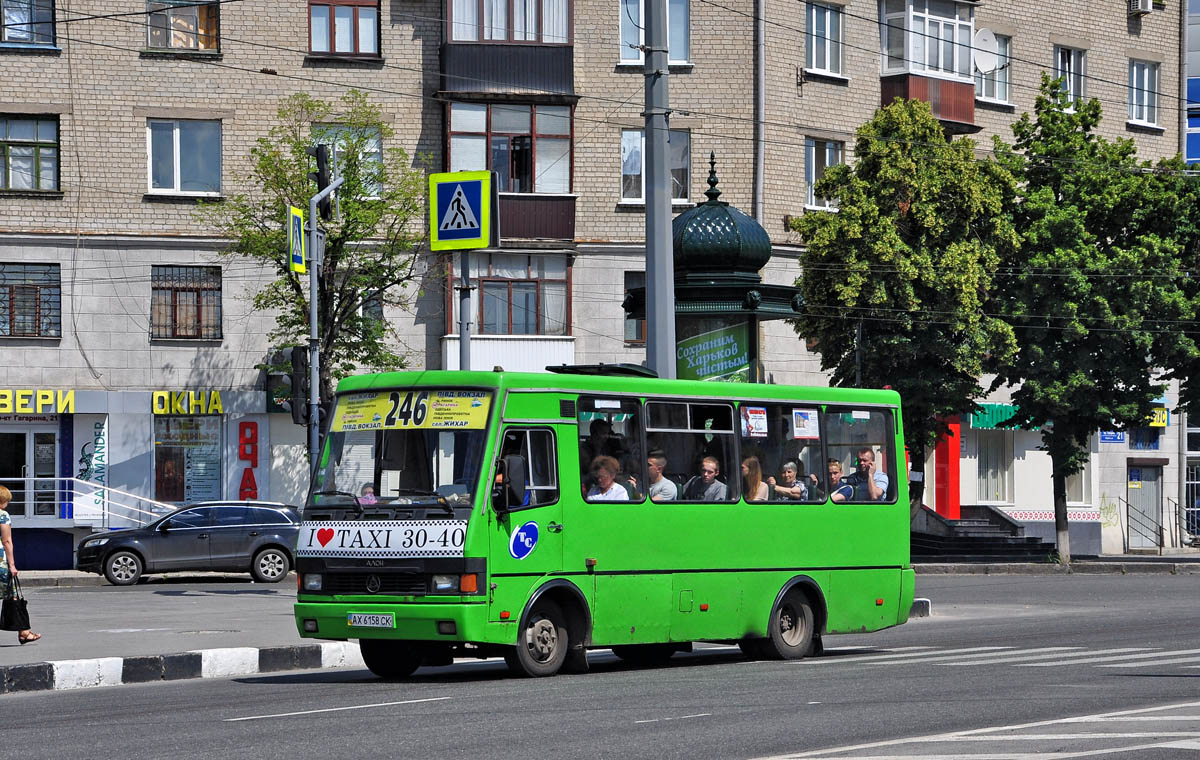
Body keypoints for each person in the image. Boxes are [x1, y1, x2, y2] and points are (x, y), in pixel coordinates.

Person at [0, 485, 41, 645]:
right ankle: (24, 633)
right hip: (1, 564)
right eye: (7, 501)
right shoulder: (2, 515)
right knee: (14, 595)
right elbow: (7, 541)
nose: (8, 504)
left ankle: (24, 632)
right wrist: (12, 565)